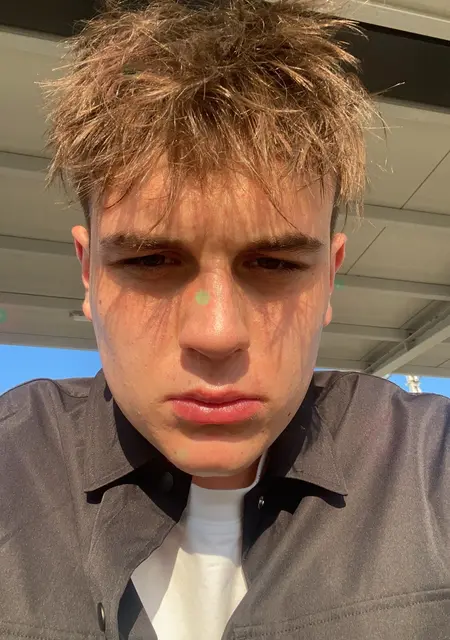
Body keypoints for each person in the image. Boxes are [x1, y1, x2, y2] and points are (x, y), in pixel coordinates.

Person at [0, 0, 448, 638]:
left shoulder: (429, 467)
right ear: (88, 272)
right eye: (150, 259)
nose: (217, 335)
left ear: (329, 277)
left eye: (275, 264)